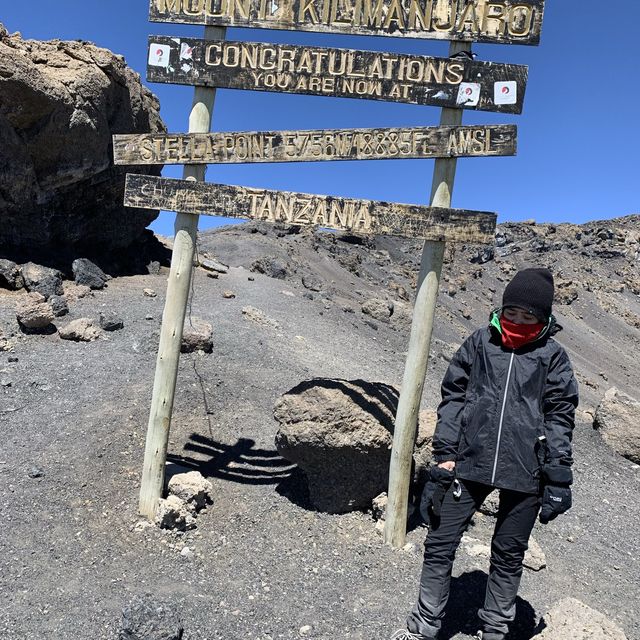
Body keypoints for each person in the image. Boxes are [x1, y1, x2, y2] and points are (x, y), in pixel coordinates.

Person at [391, 267, 579, 640]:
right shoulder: (479, 343)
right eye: (512, 313)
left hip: (527, 472)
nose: (518, 321)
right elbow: (454, 397)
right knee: (440, 542)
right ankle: (424, 626)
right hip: (469, 462)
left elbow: (560, 414)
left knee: (509, 555)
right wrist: (445, 453)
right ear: (502, 309)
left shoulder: (552, 356)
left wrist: (558, 474)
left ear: (543, 319)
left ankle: (494, 631)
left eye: (529, 317)